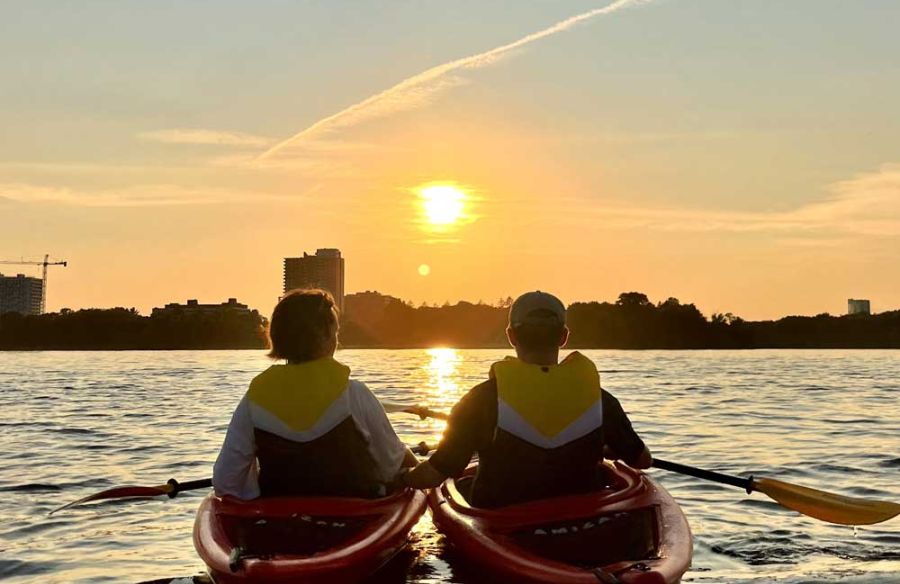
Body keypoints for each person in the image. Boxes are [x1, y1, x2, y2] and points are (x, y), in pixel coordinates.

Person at [402, 291, 651, 507]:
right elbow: (642, 460)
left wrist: (401, 478)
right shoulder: (599, 399)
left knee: (464, 484)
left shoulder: (481, 400)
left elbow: (435, 475)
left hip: (504, 521)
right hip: (583, 518)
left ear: (511, 336)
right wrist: (607, 446)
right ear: (563, 337)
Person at [213, 288, 417, 500]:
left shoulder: (252, 402)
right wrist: (419, 468)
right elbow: (395, 466)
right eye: (336, 332)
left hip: (278, 524)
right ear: (327, 334)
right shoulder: (355, 395)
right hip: (355, 520)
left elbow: (226, 483)